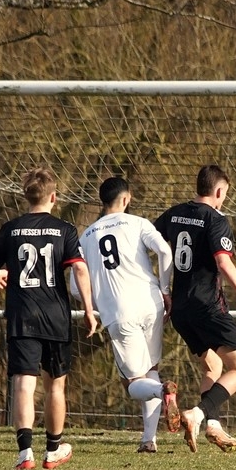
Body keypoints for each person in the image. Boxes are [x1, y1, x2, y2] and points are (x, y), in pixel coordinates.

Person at [0, 166, 97, 470]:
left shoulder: (10, 229)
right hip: (55, 316)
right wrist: (88, 309)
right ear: (53, 197)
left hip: (22, 315)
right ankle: (53, 451)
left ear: (25, 196)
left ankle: (25, 453)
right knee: (55, 386)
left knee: (23, 383)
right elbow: (80, 268)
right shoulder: (65, 229)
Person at [154, 164, 236, 453]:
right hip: (208, 307)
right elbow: (224, 262)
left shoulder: (174, 213)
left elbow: (150, 241)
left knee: (212, 365)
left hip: (180, 309)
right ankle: (197, 414)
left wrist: (161, 288)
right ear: (219, 191)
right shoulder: (215, 219)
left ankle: (213, 425)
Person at [74, 177, 178, 453]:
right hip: (152, 303)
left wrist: (97, 303)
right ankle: (149, 440)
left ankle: (162, 392)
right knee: (151, 370)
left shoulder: (86, 237)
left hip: (119, 312)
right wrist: (165, 290)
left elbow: (75, 285)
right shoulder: (139, 223)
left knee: (133, 383)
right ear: (126, 198)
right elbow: (164, 251)